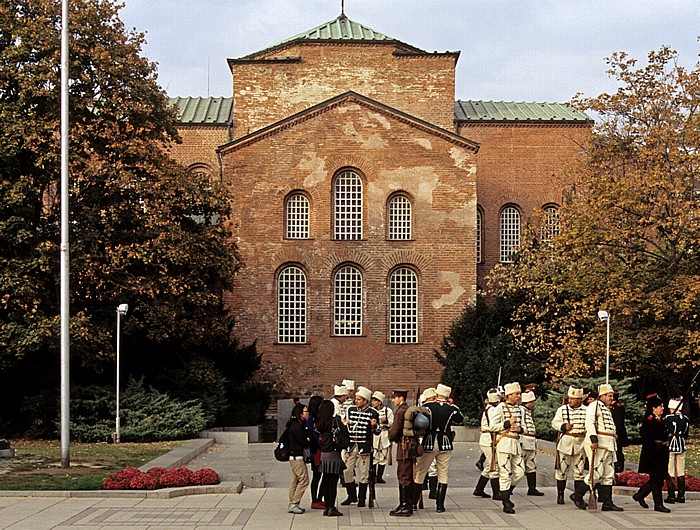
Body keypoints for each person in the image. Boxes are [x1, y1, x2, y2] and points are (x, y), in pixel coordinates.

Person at [414, 383, 464, 513]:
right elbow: (460, 419)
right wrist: (452, 404)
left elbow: (418, 420)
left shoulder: (427, 406)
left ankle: (413, 502)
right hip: (445, 443)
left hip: (429, 442)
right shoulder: (452, 408)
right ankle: (440, 505)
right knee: (443, 474)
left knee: (420, 472)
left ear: (437, 394)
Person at [578, 383, 623, 512]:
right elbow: (590, 422)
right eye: (609, 395)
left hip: (608, 444)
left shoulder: (606, 408)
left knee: (608, 473)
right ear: (602, 395)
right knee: (596, 473)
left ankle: (607, 502)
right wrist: (593, 439)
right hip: (599, 443)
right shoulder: (594, 406)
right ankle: (578, 494)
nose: (611, 398)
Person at [489, 381, 525, 514]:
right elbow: (492, 426)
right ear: (509, 395)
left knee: (520, 472)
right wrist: (506, 424)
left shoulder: (520, 409)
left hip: (516, 443)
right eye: (516, 394)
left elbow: (524, 426)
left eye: (519, 393)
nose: (519, 396)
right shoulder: (500, 408)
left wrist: (519, 428)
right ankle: (506, 502)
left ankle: (505, 492)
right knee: (504, 474)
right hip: (504, 443)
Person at [340, 386, 379, 508]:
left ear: (365, 401)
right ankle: (351, 496)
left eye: (359, 399)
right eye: (356, 399)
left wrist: (375, 425)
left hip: (364, 446)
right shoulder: (350, 410)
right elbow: (345, 425)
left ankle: (362, 498)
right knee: (346, 471)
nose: (356, 401)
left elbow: (377, 431)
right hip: (351, 445)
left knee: (364, 474)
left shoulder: (373, 413)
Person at [632, 394, 670, 512]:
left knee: (659, 477)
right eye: (660, 406)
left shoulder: (661, 420)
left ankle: (640, 495)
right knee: (656, 479)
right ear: (653, 408)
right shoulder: (649, 420)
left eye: (662, 406)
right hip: (653, 453)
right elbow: (645, 436)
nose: (662, 408)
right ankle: (658, 504)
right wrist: (656, 442)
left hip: (662, 453)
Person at [551, 385, 587, 506]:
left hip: (580, 444)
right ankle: (560, 494)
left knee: (579, 472)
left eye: (573, 398)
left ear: (579, 399)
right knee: (562, 472)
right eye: (569, 398)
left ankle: (578, 496)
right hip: (565, 443)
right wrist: (563, 426)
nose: (570, 400)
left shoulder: (586, 411)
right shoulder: (562, 410)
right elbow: (554, 423)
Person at [315, 399, 346, 517]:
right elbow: (344, 433)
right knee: (332, 483)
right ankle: (331, 507)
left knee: (326, 481)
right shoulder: (335, 421)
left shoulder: (320, 422)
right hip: (334, 454)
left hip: (324, 454)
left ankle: (327, 507)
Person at [388, 390, 416, 517]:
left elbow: (395, 431)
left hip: (404, 446)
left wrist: (390, 436)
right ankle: (405, 504)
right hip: (410, 446)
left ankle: (405, 506)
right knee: (407, 474)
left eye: (395, 398)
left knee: (403, 475)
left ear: (401, 398)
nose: (393, 400)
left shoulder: (400, 411)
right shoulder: (408, 409)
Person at [474, 387, 501, 500]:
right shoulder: (493, 410)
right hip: (488, 438)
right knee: (494, 465)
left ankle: (479, 489)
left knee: (490, 465)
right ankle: (496, 493)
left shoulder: (489, 409)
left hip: (488, 438)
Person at [286, 403, 310, 514]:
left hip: (293, 457)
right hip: (297, 457)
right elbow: (304, 442)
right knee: (304, 480)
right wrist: (308, 439)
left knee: (295, 480)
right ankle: (294, 503)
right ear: (300, 414)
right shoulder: (297, 427)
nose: (308, 413)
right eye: (306, 412)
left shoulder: (293, 425)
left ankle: (292, 502)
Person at [665, 397, 690, 504]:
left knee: (670, 469)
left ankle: (671, 495)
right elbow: (686, 433)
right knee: (680, 470)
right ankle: (681, 495)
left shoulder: (668, 418)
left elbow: (665, 430)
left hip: (671, 443)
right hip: (681, 443)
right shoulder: (686, 419)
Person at [520, 390, 544, 496]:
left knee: (531, 465)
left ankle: (532, 488)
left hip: (531, 441)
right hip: (524, 440)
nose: (533, 404)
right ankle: (508, 488)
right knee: (519, 467)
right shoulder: (521, 410)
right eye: (532, 402)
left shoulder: (528, 412)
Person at [371, 391, 394, 484]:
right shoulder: (371, 411)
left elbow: (392, 422)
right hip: (374, 436)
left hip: (384, 435)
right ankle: (372, 476)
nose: (373, 402)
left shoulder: (388, 411)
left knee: (382, 457)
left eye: (375, 401)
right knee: (373, 457)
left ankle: (379, 477)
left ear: (380, 402)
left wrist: (386, 421)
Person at [306, 395, 325, 510]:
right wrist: (320, 444)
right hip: (316, 450)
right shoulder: (310, 419)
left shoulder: (320, 417)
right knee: (317, 476)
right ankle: (314, 500)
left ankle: (319, 498)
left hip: (322, 449)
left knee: (323, 475)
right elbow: (312, 435)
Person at [611, 391, 629, 473]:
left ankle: (619, 466)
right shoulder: (614, 407)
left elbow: (618, 421)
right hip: (615, 432)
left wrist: (616, 432)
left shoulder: (617, 407)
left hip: (618, 432)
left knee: (618, 450)